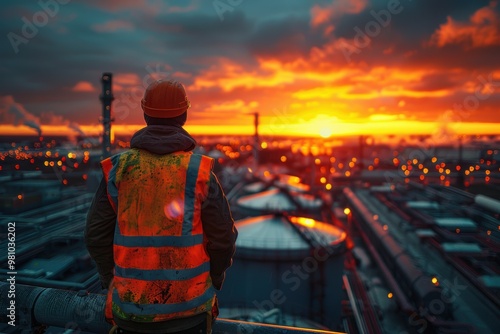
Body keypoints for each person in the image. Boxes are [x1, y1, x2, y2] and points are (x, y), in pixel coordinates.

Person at [85, 79, 238, 334]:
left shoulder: (117, 170)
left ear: (145, 115)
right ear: (184, 115)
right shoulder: (198, 172)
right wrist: (216, 277)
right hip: (189, 316)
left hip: (131, 316)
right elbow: (223, 238)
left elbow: (95, 236)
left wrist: (109, 279)